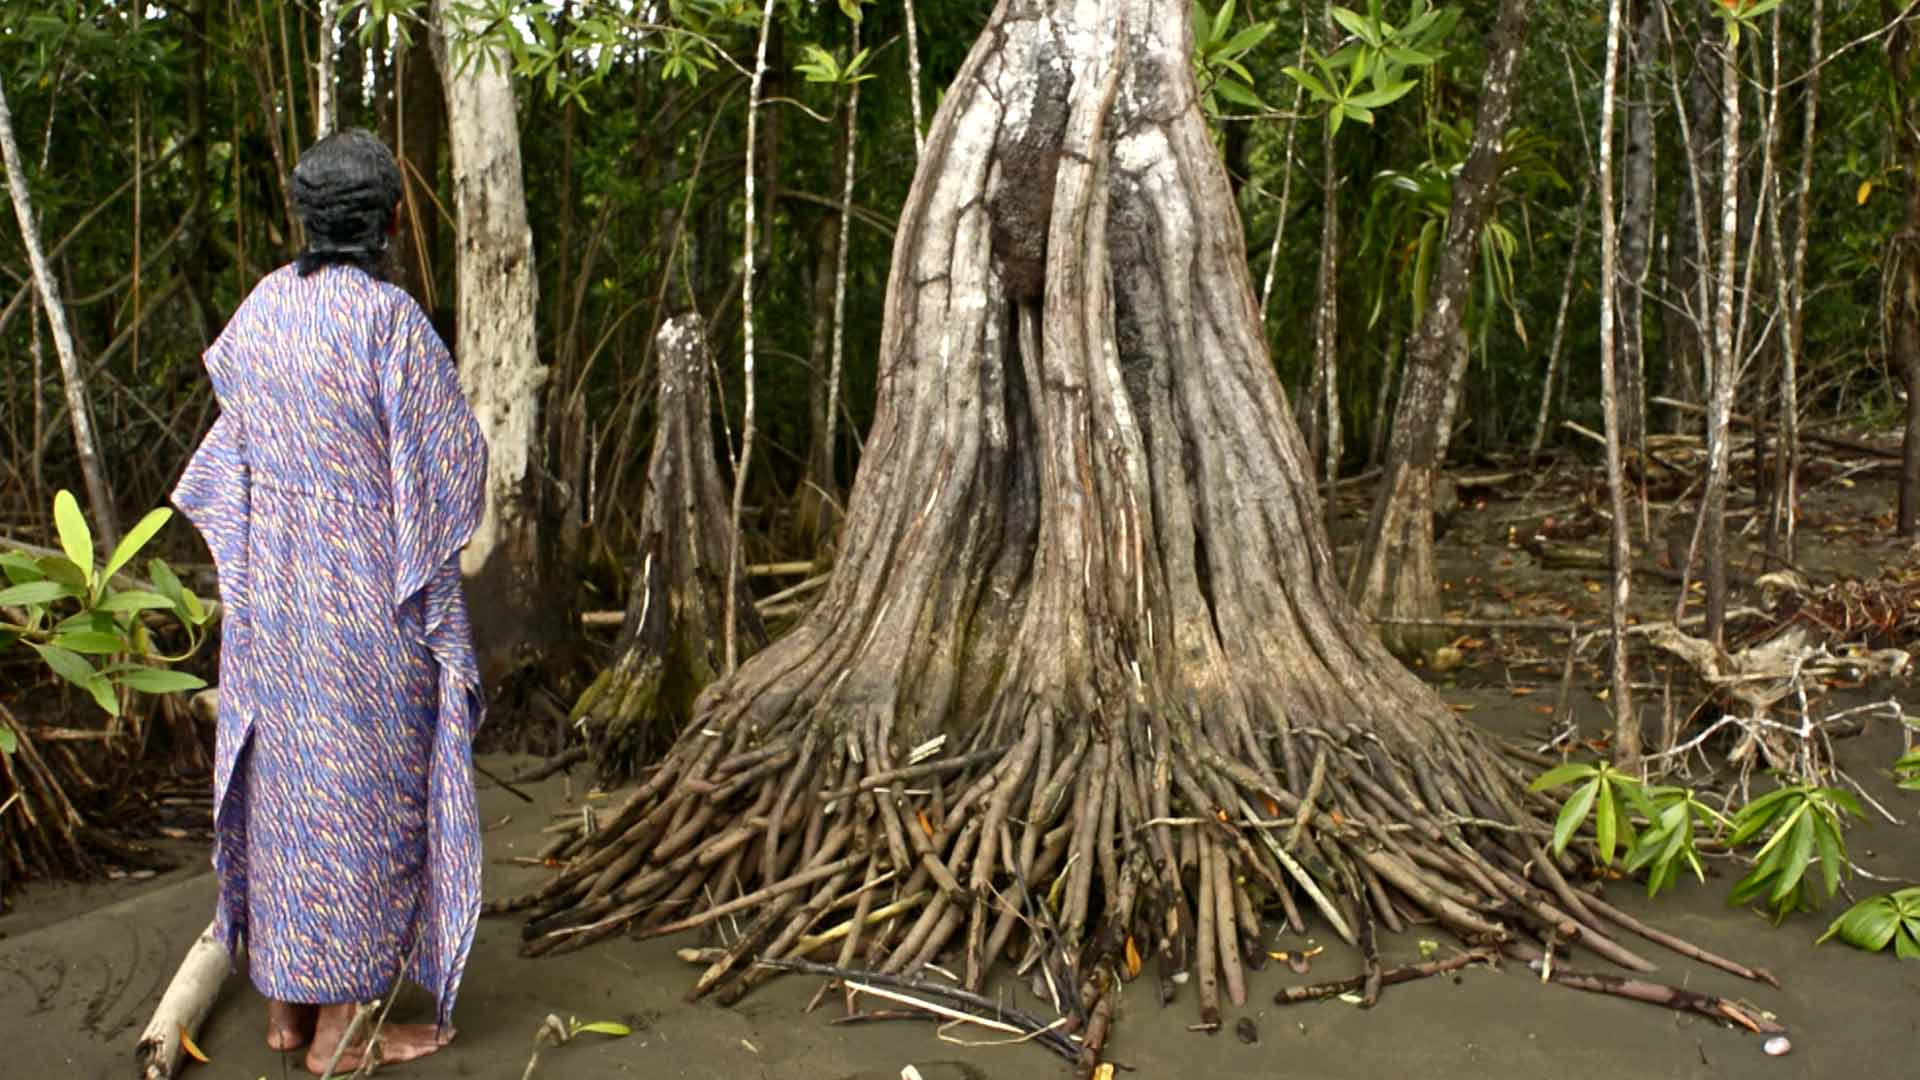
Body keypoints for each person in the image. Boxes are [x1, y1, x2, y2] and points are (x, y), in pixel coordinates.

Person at [173, 129, 488, 1074]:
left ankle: (288, 1010)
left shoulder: (263, 307)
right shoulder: (388, 321)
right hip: (364, 605)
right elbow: (453, 464)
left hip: (273, 600)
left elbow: (234, 453)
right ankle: (342, 1035)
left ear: (304, 218)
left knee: (283, 788)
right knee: (359, 799)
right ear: (391, 220)